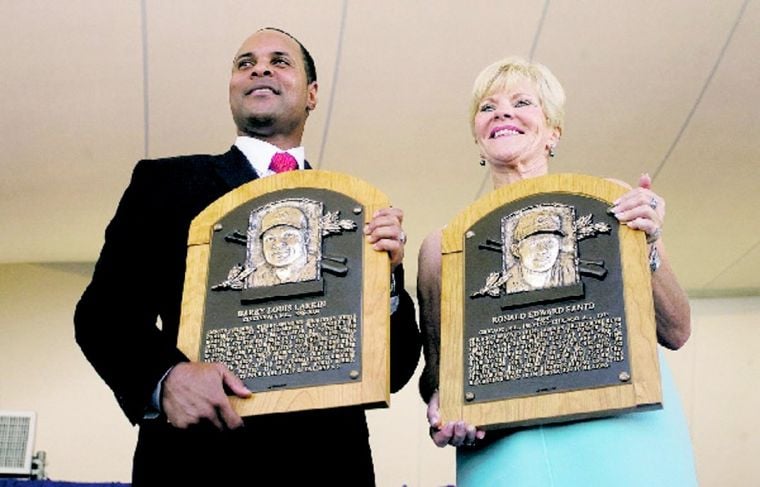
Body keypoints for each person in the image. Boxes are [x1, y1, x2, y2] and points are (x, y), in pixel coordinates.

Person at [74, 27, 420, 486]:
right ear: (232, 89)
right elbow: (103, 315)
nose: (260, 68)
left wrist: (388, 278)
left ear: (312, 94)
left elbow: (393, 373)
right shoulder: (165, 184)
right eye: (245, 63)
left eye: (280, 61)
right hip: (199, 463)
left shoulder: (353, 210)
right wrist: (165, 378)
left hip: (327, 464)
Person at [418, 56, 696, 485]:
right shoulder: (444, 247)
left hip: (621, 439)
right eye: (487, 107)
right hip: (507, 454)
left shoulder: (612, 204)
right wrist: (445, 410)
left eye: (522, 102)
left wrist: (649, 245)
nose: (502, 113)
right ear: (477, 137)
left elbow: (676, 330)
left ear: (553, 132)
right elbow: (438, 378)